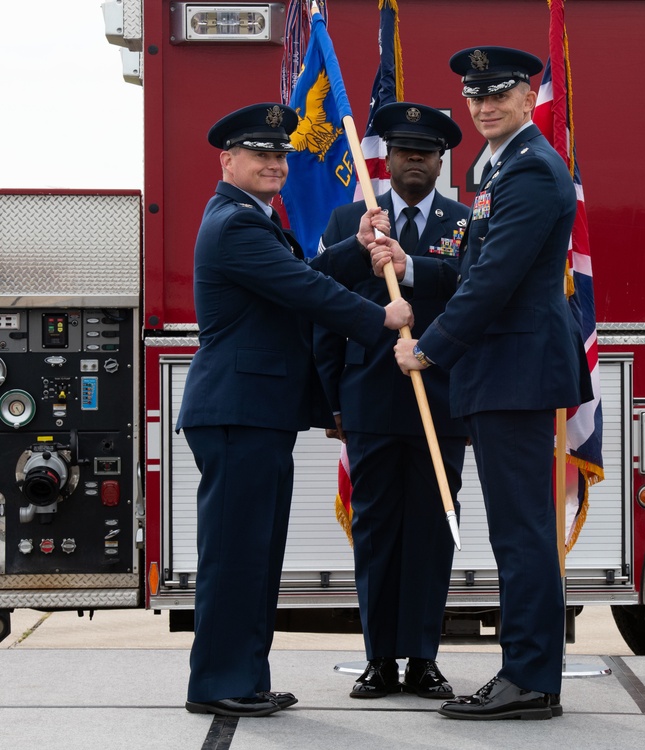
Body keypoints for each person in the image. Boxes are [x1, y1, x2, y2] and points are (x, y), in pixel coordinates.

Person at [177, 102, 413, 718]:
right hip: (239, 410)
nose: (274, 163)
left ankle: (245, 677)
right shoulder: (236, 223)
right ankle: (220, 682)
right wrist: (377, 318)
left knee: (254, 552)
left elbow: (296, 271)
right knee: (235, 554)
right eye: (259, 154)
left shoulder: (248, 218)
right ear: (227, 160)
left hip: (254, 411)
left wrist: (351, 246)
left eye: (280, 154)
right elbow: (302, 289)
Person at [390, 46, 592, 721]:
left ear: (527, 92)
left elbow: (496, 282)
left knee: (522, 532)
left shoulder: (531, 171)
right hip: (505, 372)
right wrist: (410, 266)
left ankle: (530, 679)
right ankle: (525, 672)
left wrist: (430, 349)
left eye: (498, 93)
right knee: (517, 529)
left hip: (516, 372)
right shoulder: (502, 168)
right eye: (474, 96)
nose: (483, 106)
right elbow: (475, 268)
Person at [310, 102, 469, 700]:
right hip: (369, 398)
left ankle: (423, 658)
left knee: (432, 531)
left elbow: (473, 300)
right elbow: (326, 310)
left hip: (443, 401)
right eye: (404, 151)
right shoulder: (353, 219)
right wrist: (332, 405)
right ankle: (379, 659)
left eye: (425, 153)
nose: (414, 161)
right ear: (387, 158)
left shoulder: (463, 222)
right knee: (375, 531)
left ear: (440, 161)